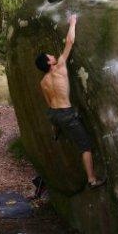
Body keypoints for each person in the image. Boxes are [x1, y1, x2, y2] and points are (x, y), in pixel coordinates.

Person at [35, 14, 106, 189]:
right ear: (49, 62)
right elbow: (69, 42)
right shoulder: (59, 67)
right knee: (86, 147)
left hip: (54, 115)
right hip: (67, 115)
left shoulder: (43, 82)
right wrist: (73, 22)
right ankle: (92, 179)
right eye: (49, 55)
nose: (52, 55)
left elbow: (49, 103)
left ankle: (57, 129)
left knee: (58, 118)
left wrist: (55, 123)